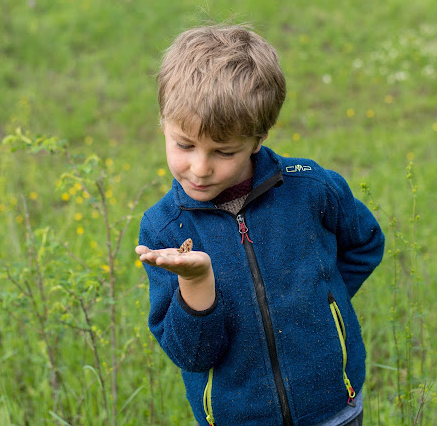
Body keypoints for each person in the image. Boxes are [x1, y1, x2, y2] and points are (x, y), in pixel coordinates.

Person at [136, 24, 384, 426]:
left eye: (224, 151)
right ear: (163, 124)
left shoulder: (312, 189)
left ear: (258, 139)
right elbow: (192, 356)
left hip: (334, 411)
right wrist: (196, 283)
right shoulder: (164, 228)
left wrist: (322, 302)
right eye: (184, 145)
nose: (199, 168)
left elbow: (366, 243)